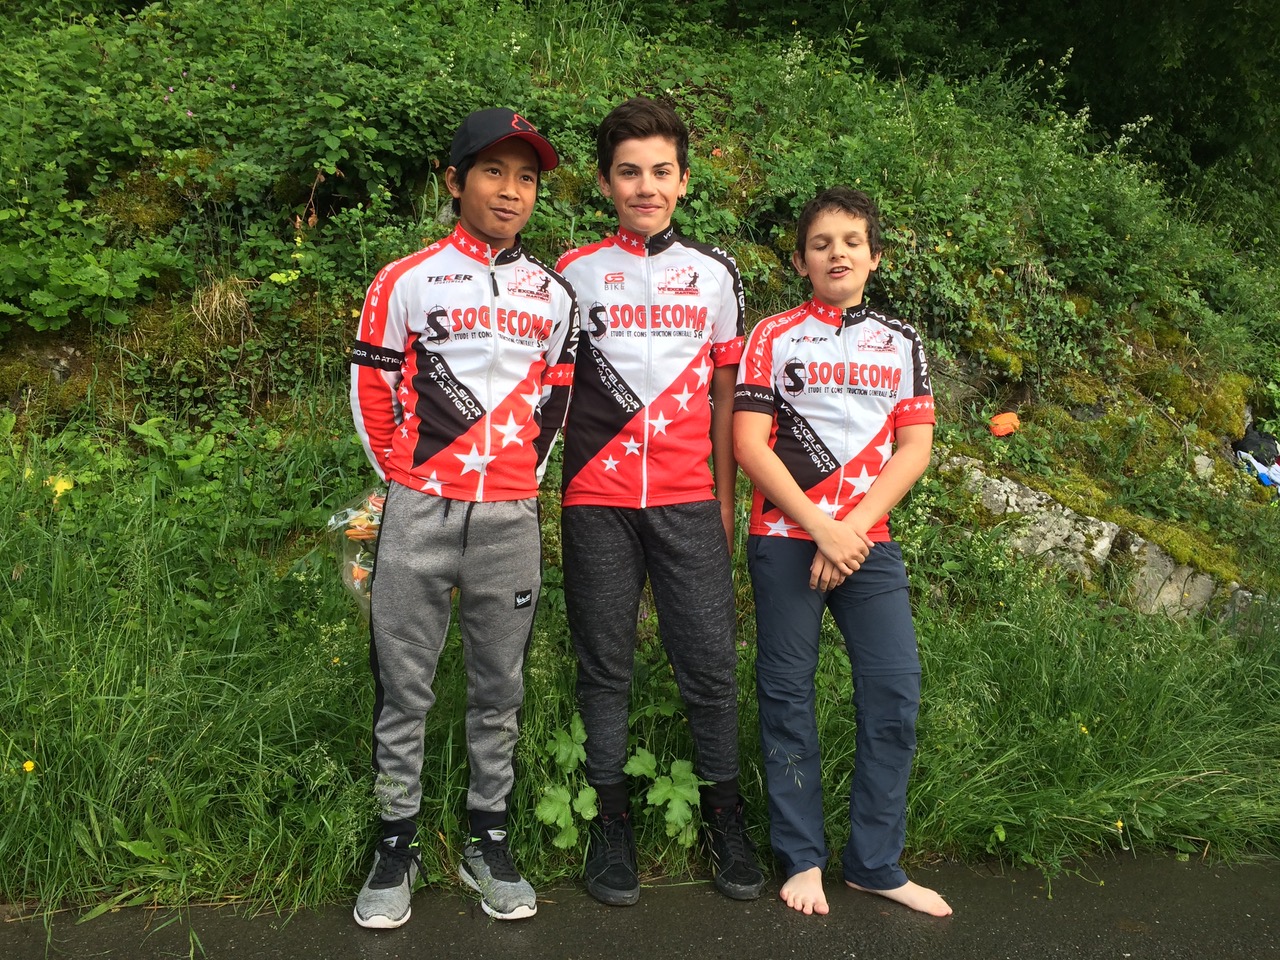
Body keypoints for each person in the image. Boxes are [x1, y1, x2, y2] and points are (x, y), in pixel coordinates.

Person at [348, 108, 579, 928]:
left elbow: (555, 399)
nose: (511, 191)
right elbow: (371, 386)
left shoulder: (555, 294)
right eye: (493, 172)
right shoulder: (404, 280)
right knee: (403, 684)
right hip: (420, 507)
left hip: (511, 515)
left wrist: (518, 479)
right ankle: (396, 843)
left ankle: (489, 837)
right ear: (454, 180)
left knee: (499, 686)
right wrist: (407, 477)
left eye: (527, 178)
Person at [554, 96, 763, 906]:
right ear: (606, 182)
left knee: (709, 663)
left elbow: (726, 397)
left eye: (661, 171)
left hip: (687, 498)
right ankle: (611, 825)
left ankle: (725, 818)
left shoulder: (715, 274)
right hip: (596, 498)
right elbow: (552, 388)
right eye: (629, 172)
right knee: (604, 665)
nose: (646, 186)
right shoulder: (572, 272)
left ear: (683, 180)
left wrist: (723, 499)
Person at [733, 186, 951, 918]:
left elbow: (914, 448)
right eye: (821, 244)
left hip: (868, 545)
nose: (837, 254)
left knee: (895, 693)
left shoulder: (902, 341)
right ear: (801, 260)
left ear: (874, 257)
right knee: (786, 695)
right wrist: (818, 528)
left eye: (852, 242)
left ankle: (875, 863)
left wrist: (847, 531)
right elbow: (748, 445)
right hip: (783, 538)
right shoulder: (773, 335)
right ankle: (802, 859)